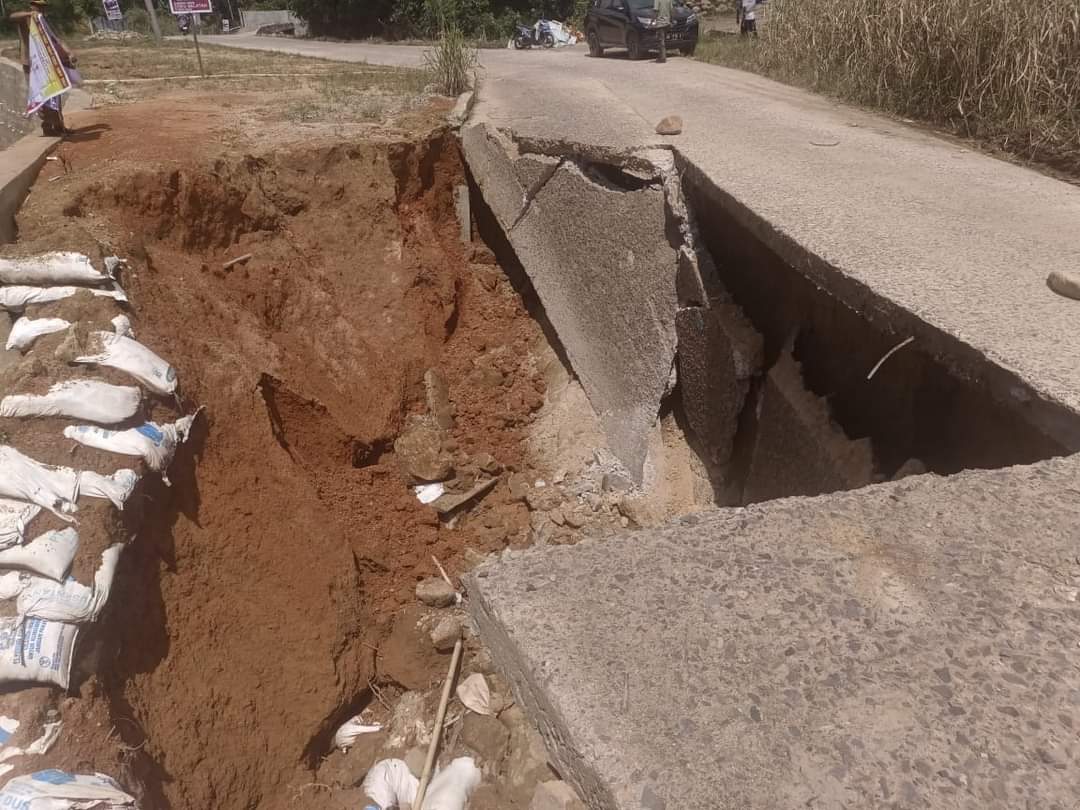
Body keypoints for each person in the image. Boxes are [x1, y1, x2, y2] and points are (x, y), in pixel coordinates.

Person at [10, 0, 77, 136]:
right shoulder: (26, 19)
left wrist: (68, 52)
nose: (40, 9)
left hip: (48, 64)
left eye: (42, 7)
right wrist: (30, 14)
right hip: (32, 64)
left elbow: (55, 38)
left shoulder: (43, 21)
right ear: (32, 5)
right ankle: (47, 126)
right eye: (38, 6)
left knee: (55, 94)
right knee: (41, 96)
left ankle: (59, 125)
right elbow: (13, 16)